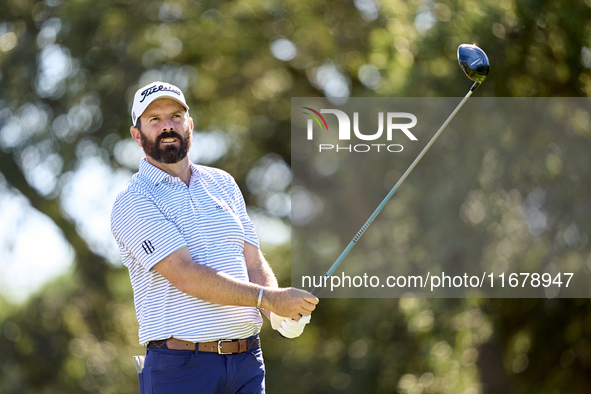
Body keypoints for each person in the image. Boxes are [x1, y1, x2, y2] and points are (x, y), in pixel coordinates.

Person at [110, 81, 319, 394]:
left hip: (247, 363)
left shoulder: (223, 183)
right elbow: (186, 276)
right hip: (180, 368)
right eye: (154, 119)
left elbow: (252, 259)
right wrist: (267, 298)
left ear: (190, 126)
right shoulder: (134, 199)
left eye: (176, 116)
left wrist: (275, 310)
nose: (168, 126)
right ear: (137, 135)